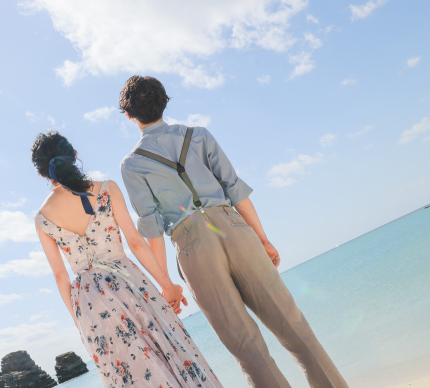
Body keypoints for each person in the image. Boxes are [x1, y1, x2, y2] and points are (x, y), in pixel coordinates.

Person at [118, 75, 348, 388]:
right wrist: (262, 239)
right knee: (294, 327)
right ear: (164, 102)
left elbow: (152, 226)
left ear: (130, 116)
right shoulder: (198, 135)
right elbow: (235, 189)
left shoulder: (132, 165)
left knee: (248, 349)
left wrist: (167, 282)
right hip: (235, 229)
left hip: (192, 245)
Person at [32, 131, 223, 388]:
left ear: (42, 174)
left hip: (89, 303)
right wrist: (167, 285)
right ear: (74, 156)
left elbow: (60, 275)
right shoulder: (106, 188)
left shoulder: (42, 218)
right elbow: (134, 241)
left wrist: (80, 322)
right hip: (128, 283)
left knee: (130, 374)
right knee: (170, 353)